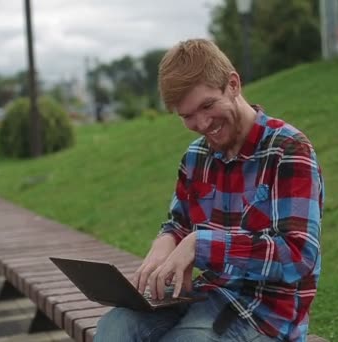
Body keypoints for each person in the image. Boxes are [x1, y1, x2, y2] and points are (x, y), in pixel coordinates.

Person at [95, 39, 324, 342]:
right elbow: (179, 223)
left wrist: (199, 244)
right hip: (205, 297)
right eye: (187, 116)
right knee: (115, 327)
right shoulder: (196, 156)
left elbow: (297, 256)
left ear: (232, 84)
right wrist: (167, 240)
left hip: (266, 314)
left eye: (207, 105)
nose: (202, 123)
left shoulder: (288, 150)